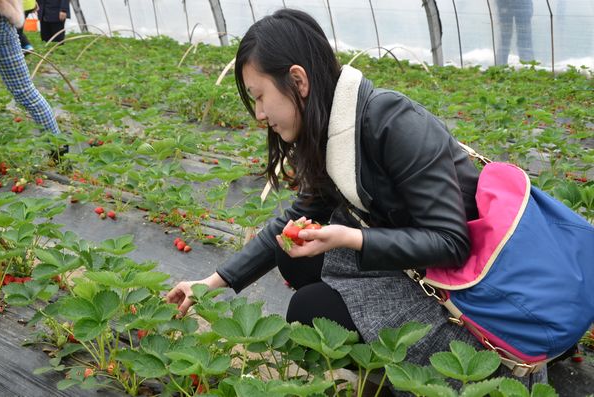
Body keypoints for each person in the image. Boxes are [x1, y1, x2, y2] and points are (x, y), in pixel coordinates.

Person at [166, 8, 546, 387]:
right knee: (292, 253)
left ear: (298, 80)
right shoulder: (331, 129)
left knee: (310, 309)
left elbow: (452, 242)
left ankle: (401, 368)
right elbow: (296, 215)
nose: (260, 114)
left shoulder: (392, 122)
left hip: (471, 290)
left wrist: (353, 238)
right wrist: (211, 282)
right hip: (418, 266)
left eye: (260, 96)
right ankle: (378, 355)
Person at [0, 0, 63, 136]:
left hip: (2, 13)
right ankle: (57, 147)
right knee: (25, 90)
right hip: (3, 17)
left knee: (25, 90)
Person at [494, 0, 534, 65]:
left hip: (518, 4)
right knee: (505, 38)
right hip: (507, 4)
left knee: (523, 39)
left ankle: (528, 67)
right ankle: (528, 67)